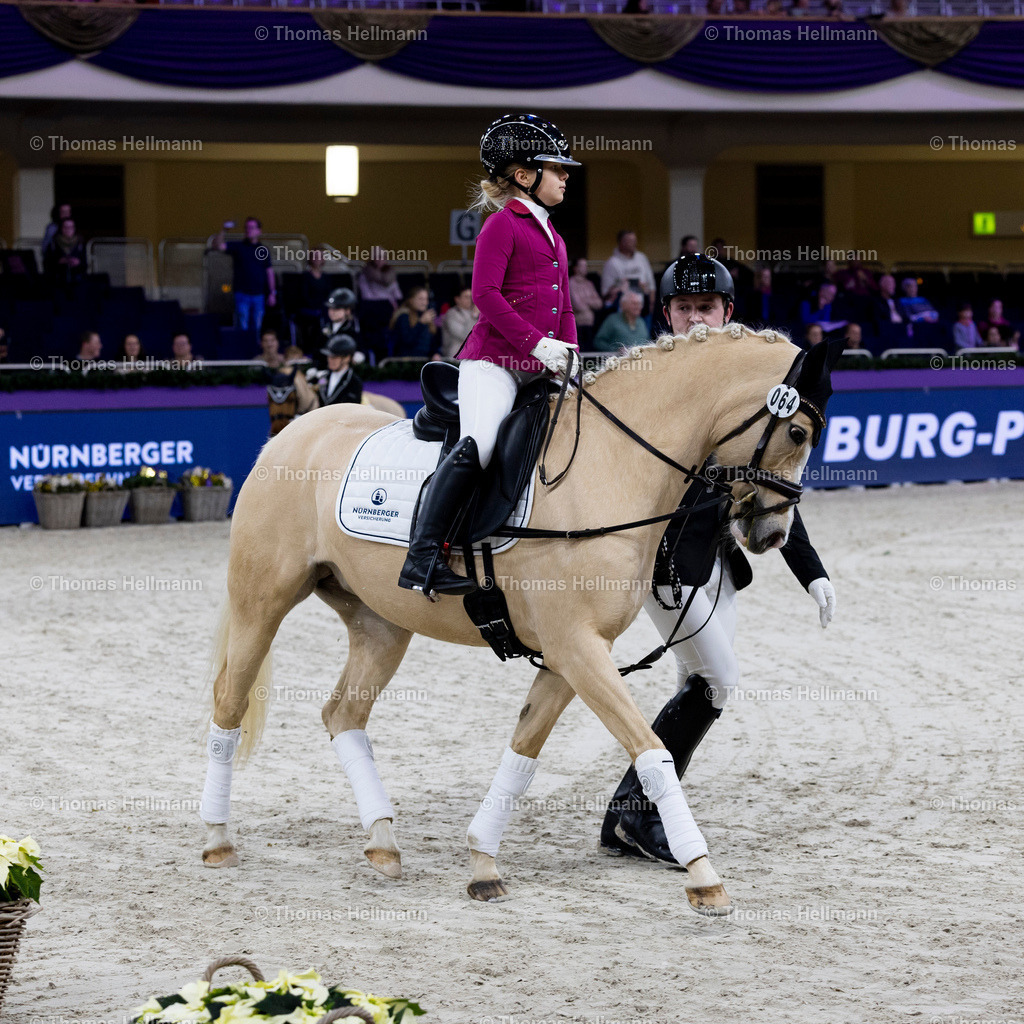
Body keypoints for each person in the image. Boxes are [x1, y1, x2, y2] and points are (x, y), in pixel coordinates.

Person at [600, 253, 837, 864]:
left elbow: (772, 479)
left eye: (707, 308)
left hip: (722, 562)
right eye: (685, 308)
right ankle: (639, 813)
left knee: (703, 685)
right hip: (666, 563)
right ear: (667, 314)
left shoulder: (743, 390)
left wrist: (810, 571)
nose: (696, 318)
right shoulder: (647, 388)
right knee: (717, 680)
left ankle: (633, 812)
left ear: (728, 313)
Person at [398, 112, 581, 596]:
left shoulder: (554, 236)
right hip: (493, 363)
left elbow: (563, 306)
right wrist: (536, 344)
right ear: (525, 176)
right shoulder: (502, 225)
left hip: (538, 366)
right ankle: (422, 557)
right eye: (557, 168)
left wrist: (572, 353)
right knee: (478, 444)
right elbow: (486, 295)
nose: (566, 176)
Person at [214, 217, 276, 333]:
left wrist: (272, 292)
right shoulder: (239, 246)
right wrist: (224, 230)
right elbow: (218, 246)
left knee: (257, 327)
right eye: (247, 228)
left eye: (252, 228)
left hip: (259, 295)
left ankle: (255, 349)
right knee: (242, 326)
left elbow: (269, 272)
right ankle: (244, 349)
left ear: (259, 231)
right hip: (242, 294)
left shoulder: (263, 249)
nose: (249, 230)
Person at [600, 229, 656, 312]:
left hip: (643, 308)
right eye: (630, 241)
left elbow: (651, 284)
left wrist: (651, 303)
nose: (634, 243)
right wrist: (620, 287)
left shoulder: (642, 258)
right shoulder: (611, 263)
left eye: (635, 240)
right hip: (622, 311)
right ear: (621, 242)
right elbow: (605, 293)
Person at [307, 335, 363, 406]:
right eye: (329, 356)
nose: (330, 360)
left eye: (334, 357)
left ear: (347, 358)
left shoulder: (354, 382)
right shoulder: (323, 377)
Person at [389, 287, 440, 359]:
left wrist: (435, 353)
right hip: (407, 363)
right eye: (420, 299)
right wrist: (421, 323)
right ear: (411, 300)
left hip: (423, 362)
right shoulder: (403, 316)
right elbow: (406, 341)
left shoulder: (425, 316)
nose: (425, 303)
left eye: (426, 299)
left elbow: (431, 343)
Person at [568, 258, 603, 350]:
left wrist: (586, 300)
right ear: (575, 268)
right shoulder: (571, 283)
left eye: (586, 266)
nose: (585, 268)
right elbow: (578, 306)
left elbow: (599, 303)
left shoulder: (589, 284)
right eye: (582, 266)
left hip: (591, 325)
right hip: (578, 325)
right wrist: (590, 301)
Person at [320, 287, 362, 361]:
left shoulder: (354, 329)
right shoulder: (323, 327)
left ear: (348, 310)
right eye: (330, 308)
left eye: (336, 309)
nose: (332, 312)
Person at [43, 217, 86, 286]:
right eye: (66, 227)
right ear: (61, 228)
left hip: (77, 280)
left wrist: (78, 263)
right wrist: (59, 262)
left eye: (71, 227)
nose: (68, 230)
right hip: (57, 281)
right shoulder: (53, 244)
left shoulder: (80, 244)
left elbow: (85, 264)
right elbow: (47, 264)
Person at [440, 286, 480, 359]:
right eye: (466, 297)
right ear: (457, 299)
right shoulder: (451, 314)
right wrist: (474, 316)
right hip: (455, 356)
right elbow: (464, 335)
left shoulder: (476, 312)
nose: (470, 300)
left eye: (471, 297)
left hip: (472, 356)